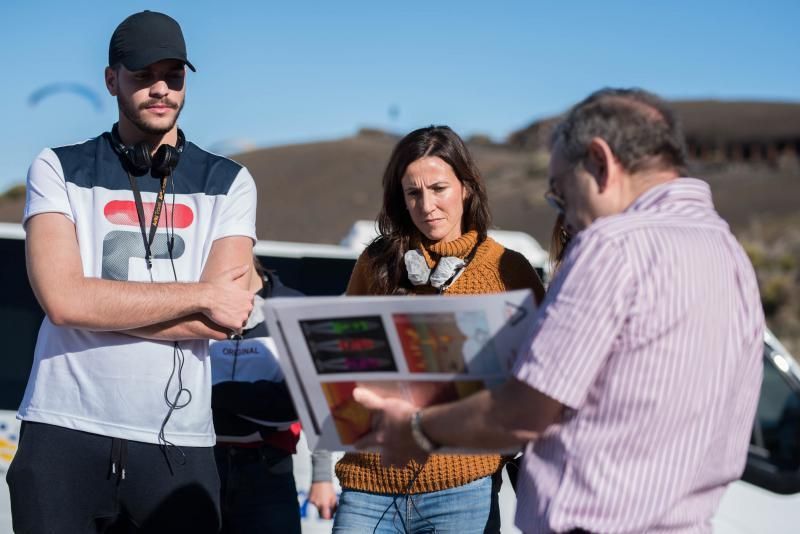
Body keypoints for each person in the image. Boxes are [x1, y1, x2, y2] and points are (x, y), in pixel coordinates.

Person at [353, 88, 765, 533]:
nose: (566, 219)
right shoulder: (727, 251)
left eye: (562, 193)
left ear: (600, 162)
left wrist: (418, 428)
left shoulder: (612, 247)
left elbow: (523, 410)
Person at [7, 11, 257, 533]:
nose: (161, 89)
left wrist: (96, 306)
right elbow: (63, 301)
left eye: (174, 76)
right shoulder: (56, 167)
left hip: (178, 444)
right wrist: (201, 294)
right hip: (61, 432)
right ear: (111, 79)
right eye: (143, 75)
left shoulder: (231, 182)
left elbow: (226, 315)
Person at [332, 125, 545, 533]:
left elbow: (537, 375)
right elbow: (346, 363)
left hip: (463, 489)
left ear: (466, 187)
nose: (427, 205)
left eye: (439, 188)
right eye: (414, 193)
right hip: (368, 483)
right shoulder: (375, 263)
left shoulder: (509, 269)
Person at [211, 256, 337, 533]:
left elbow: (314, 396)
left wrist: (322, 476)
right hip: (202, 464)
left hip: (267, 467)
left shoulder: (292, 306)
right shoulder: (201, 302)